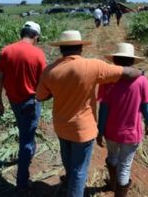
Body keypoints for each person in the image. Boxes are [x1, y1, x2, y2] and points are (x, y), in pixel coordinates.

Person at [36, 30, 142, 197]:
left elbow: (41, 97)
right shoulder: (92, 66)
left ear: (61, 49)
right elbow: (128, 73)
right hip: (83, 130)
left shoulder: (49, 71)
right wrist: (141, 73)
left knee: (69, 163)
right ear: (80, 48)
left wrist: (56, 90)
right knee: (80, 171)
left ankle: (70, 183)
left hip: (61, 127)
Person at [0, 21, 47, 192]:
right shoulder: (38, 54)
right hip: (31, 102)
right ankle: (22, 182)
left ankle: (28, 154)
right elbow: (44, 82)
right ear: (36, 36)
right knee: (26, 140)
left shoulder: (6, 51)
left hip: (13, 101)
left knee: (25, 131)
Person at [97, 43, 148, 197]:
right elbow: (146, 107)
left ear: (115, 60)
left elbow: (103, 109)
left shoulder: (107, 80)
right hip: (131, 133)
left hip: (111, 131)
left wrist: (100, 131)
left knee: (112, 157)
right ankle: (119, 191)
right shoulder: (142, 81)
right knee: (125, 166)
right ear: (132, 62)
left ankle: (113, 184)